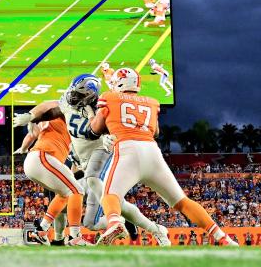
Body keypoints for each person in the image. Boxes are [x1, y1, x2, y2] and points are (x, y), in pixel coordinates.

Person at [89, 67, 236, 246]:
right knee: (182, 202)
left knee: (110, 195)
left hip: (127, 150)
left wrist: (98, 121)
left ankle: (114, 223)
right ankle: (224, 238)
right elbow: (156, 131)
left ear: (118, 84)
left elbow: (95, 129)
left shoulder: (109, 97)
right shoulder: (152, 102)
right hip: (152, 151)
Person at [17, 74, 170, 244]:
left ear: (89, 96)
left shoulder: (100, 108)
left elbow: (115, 126)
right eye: (74, 93)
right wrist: (31, 116)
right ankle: (122, 221)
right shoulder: (68, 106)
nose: (73, 97)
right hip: (86, 165)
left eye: (79, 95)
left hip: (102, 161)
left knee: (90, 193)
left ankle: (129, 225)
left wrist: (110, 136)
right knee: (90, 221)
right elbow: (50, 108)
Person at [14, 101, 88, 245]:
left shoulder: (50, 124)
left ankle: (42, 230)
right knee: (77, 191)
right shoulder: (63, 110)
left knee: (63, 195)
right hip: (44, 156)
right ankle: (75, 236)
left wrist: (23, 148)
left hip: (38, 160)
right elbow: (48, 106)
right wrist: (30, 116)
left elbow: (32, 135)